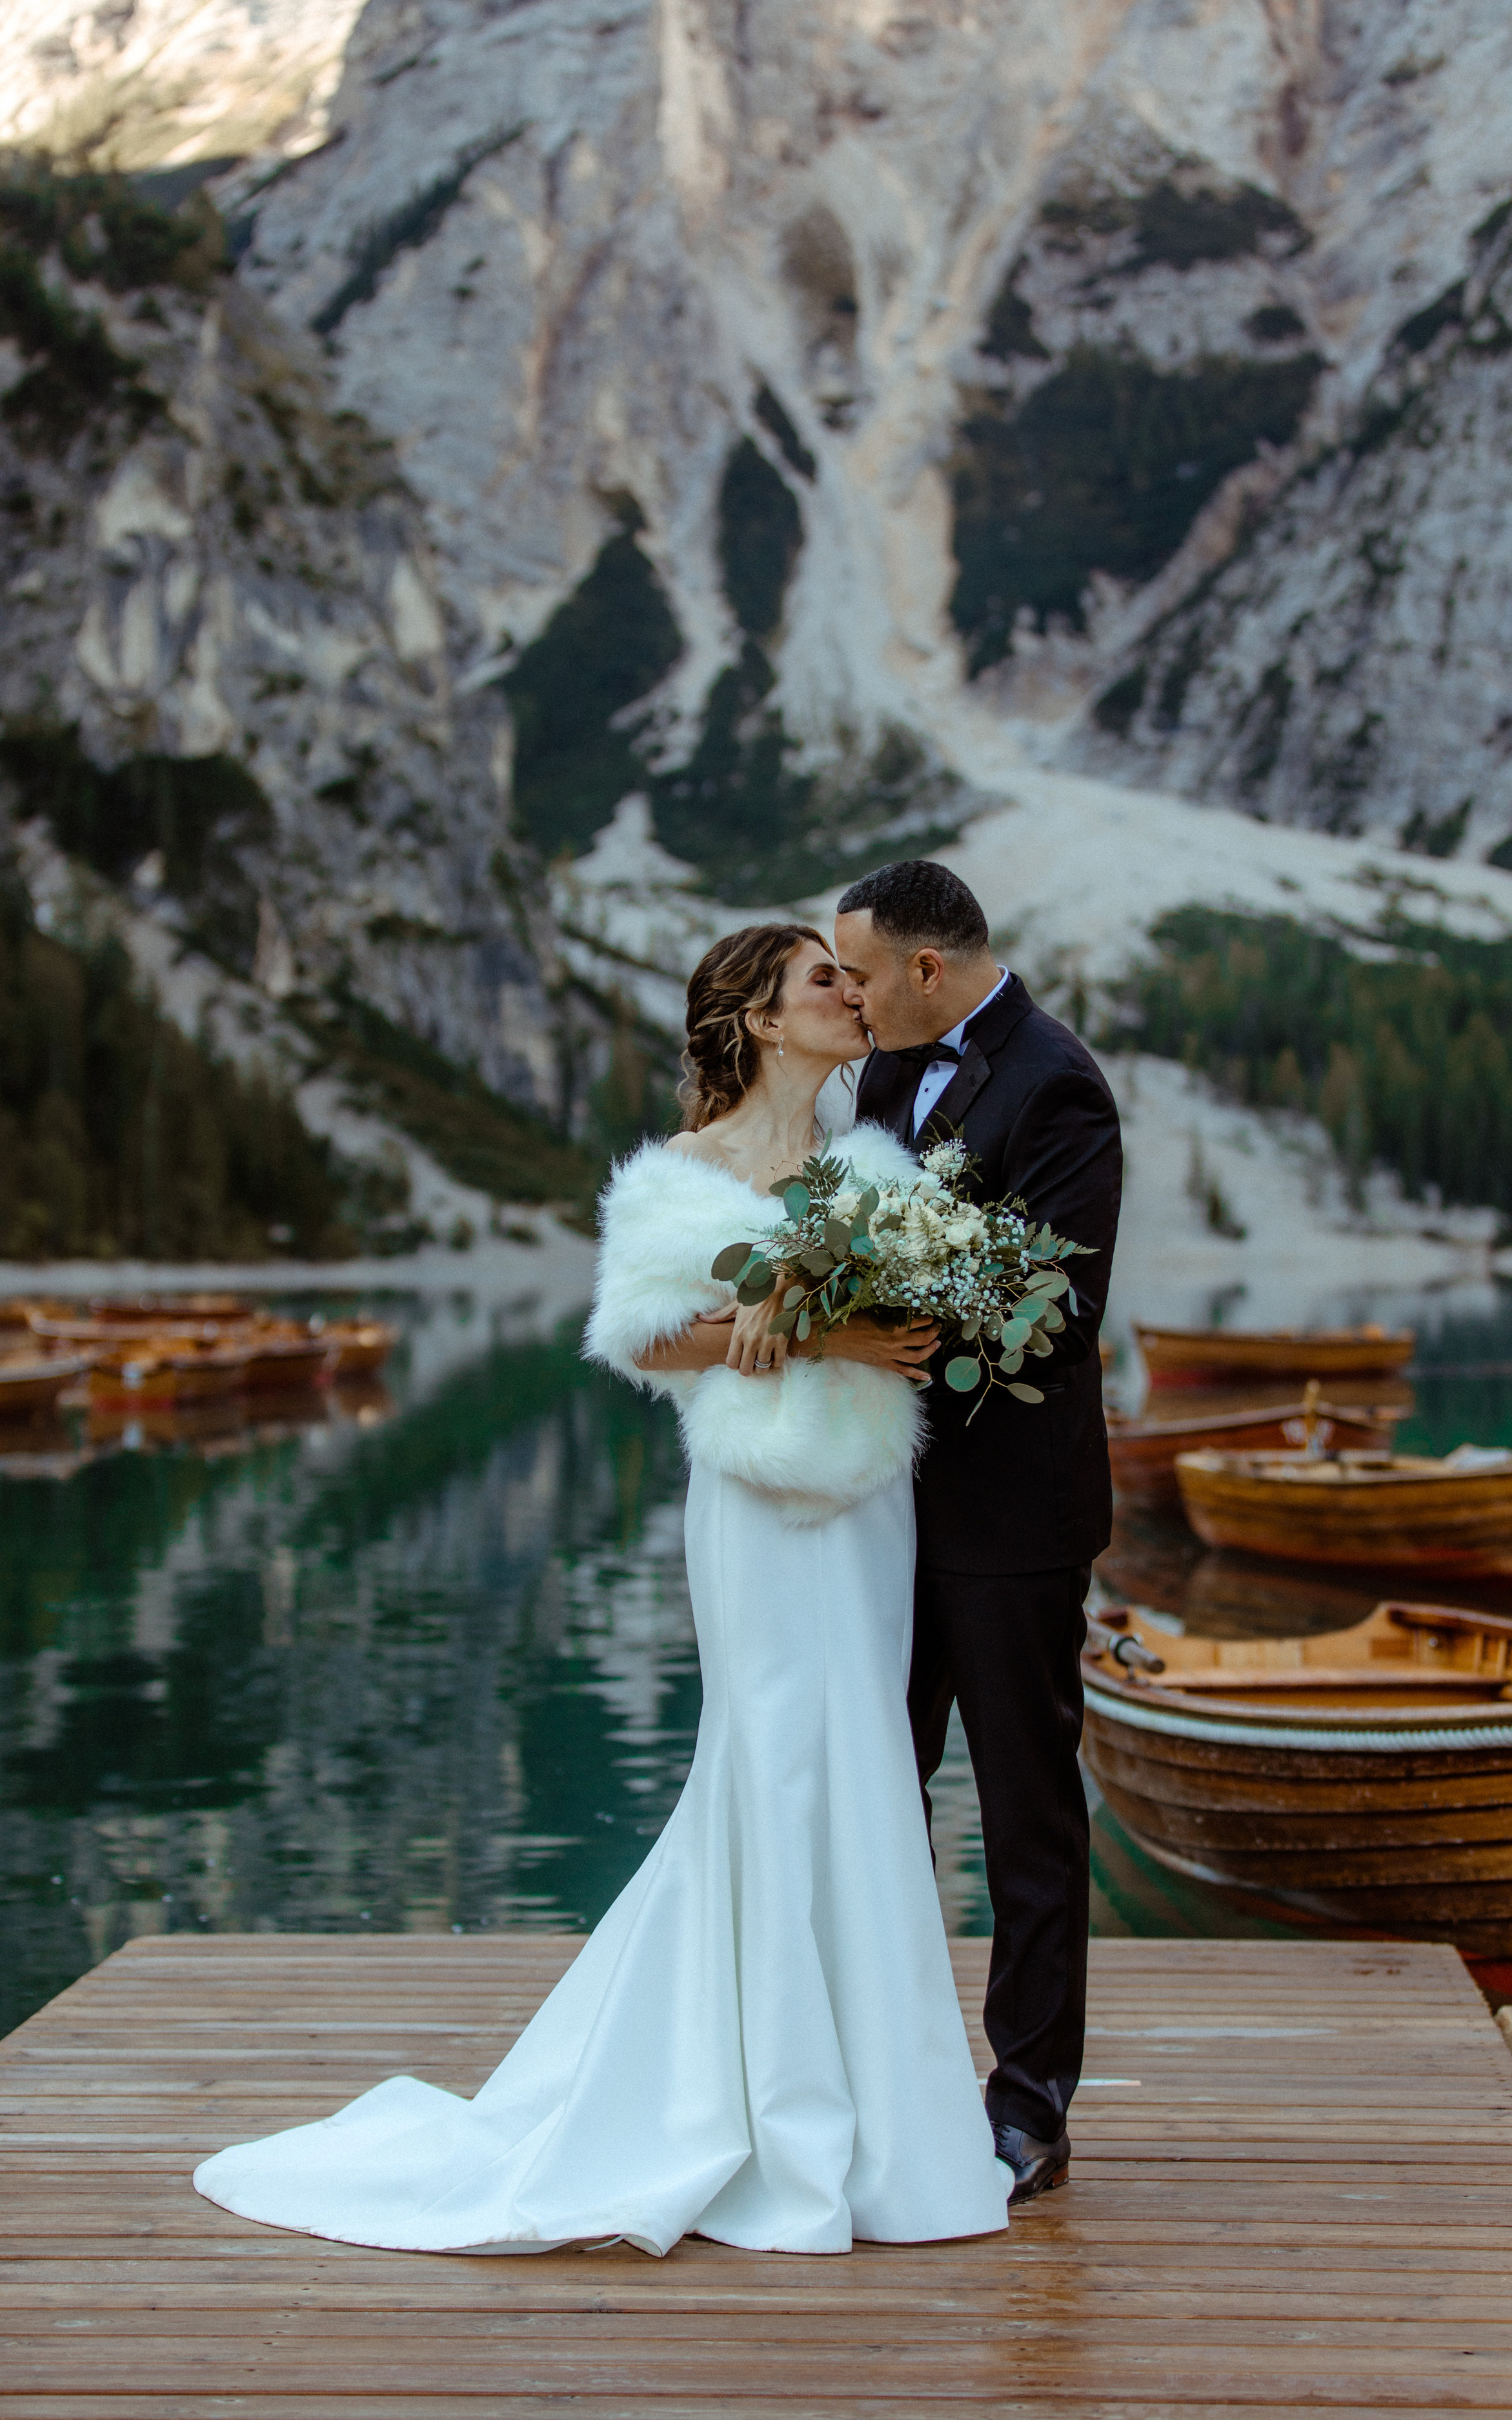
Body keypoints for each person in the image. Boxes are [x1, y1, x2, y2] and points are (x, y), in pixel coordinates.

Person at [193, 921, 1009, 2257]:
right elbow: (640, 1337)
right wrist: (787, 1319)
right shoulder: (678, 1179)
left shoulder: (875, 1172)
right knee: (765, 1768)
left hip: (867, 1510)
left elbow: (915, 1337)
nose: (852, 998)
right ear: (756, 1016)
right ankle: (754, 2112)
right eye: (824, 980)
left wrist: (805, 1313)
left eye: (853, 981)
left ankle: (880, 2125)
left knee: (862, 1767)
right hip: (749, 1513)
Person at [837, 860, 1122, 2204]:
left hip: (1012, 1518)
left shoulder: (1057, 1082)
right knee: (875, 1797)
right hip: (882, 1511)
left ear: (926, 970)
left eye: (861, 973)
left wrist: (894, 1290)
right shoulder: (888, 1076)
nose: (848, 995)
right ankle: (875, 2077)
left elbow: (1054, 1317)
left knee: (1022, 1817)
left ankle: (1028, 2107)